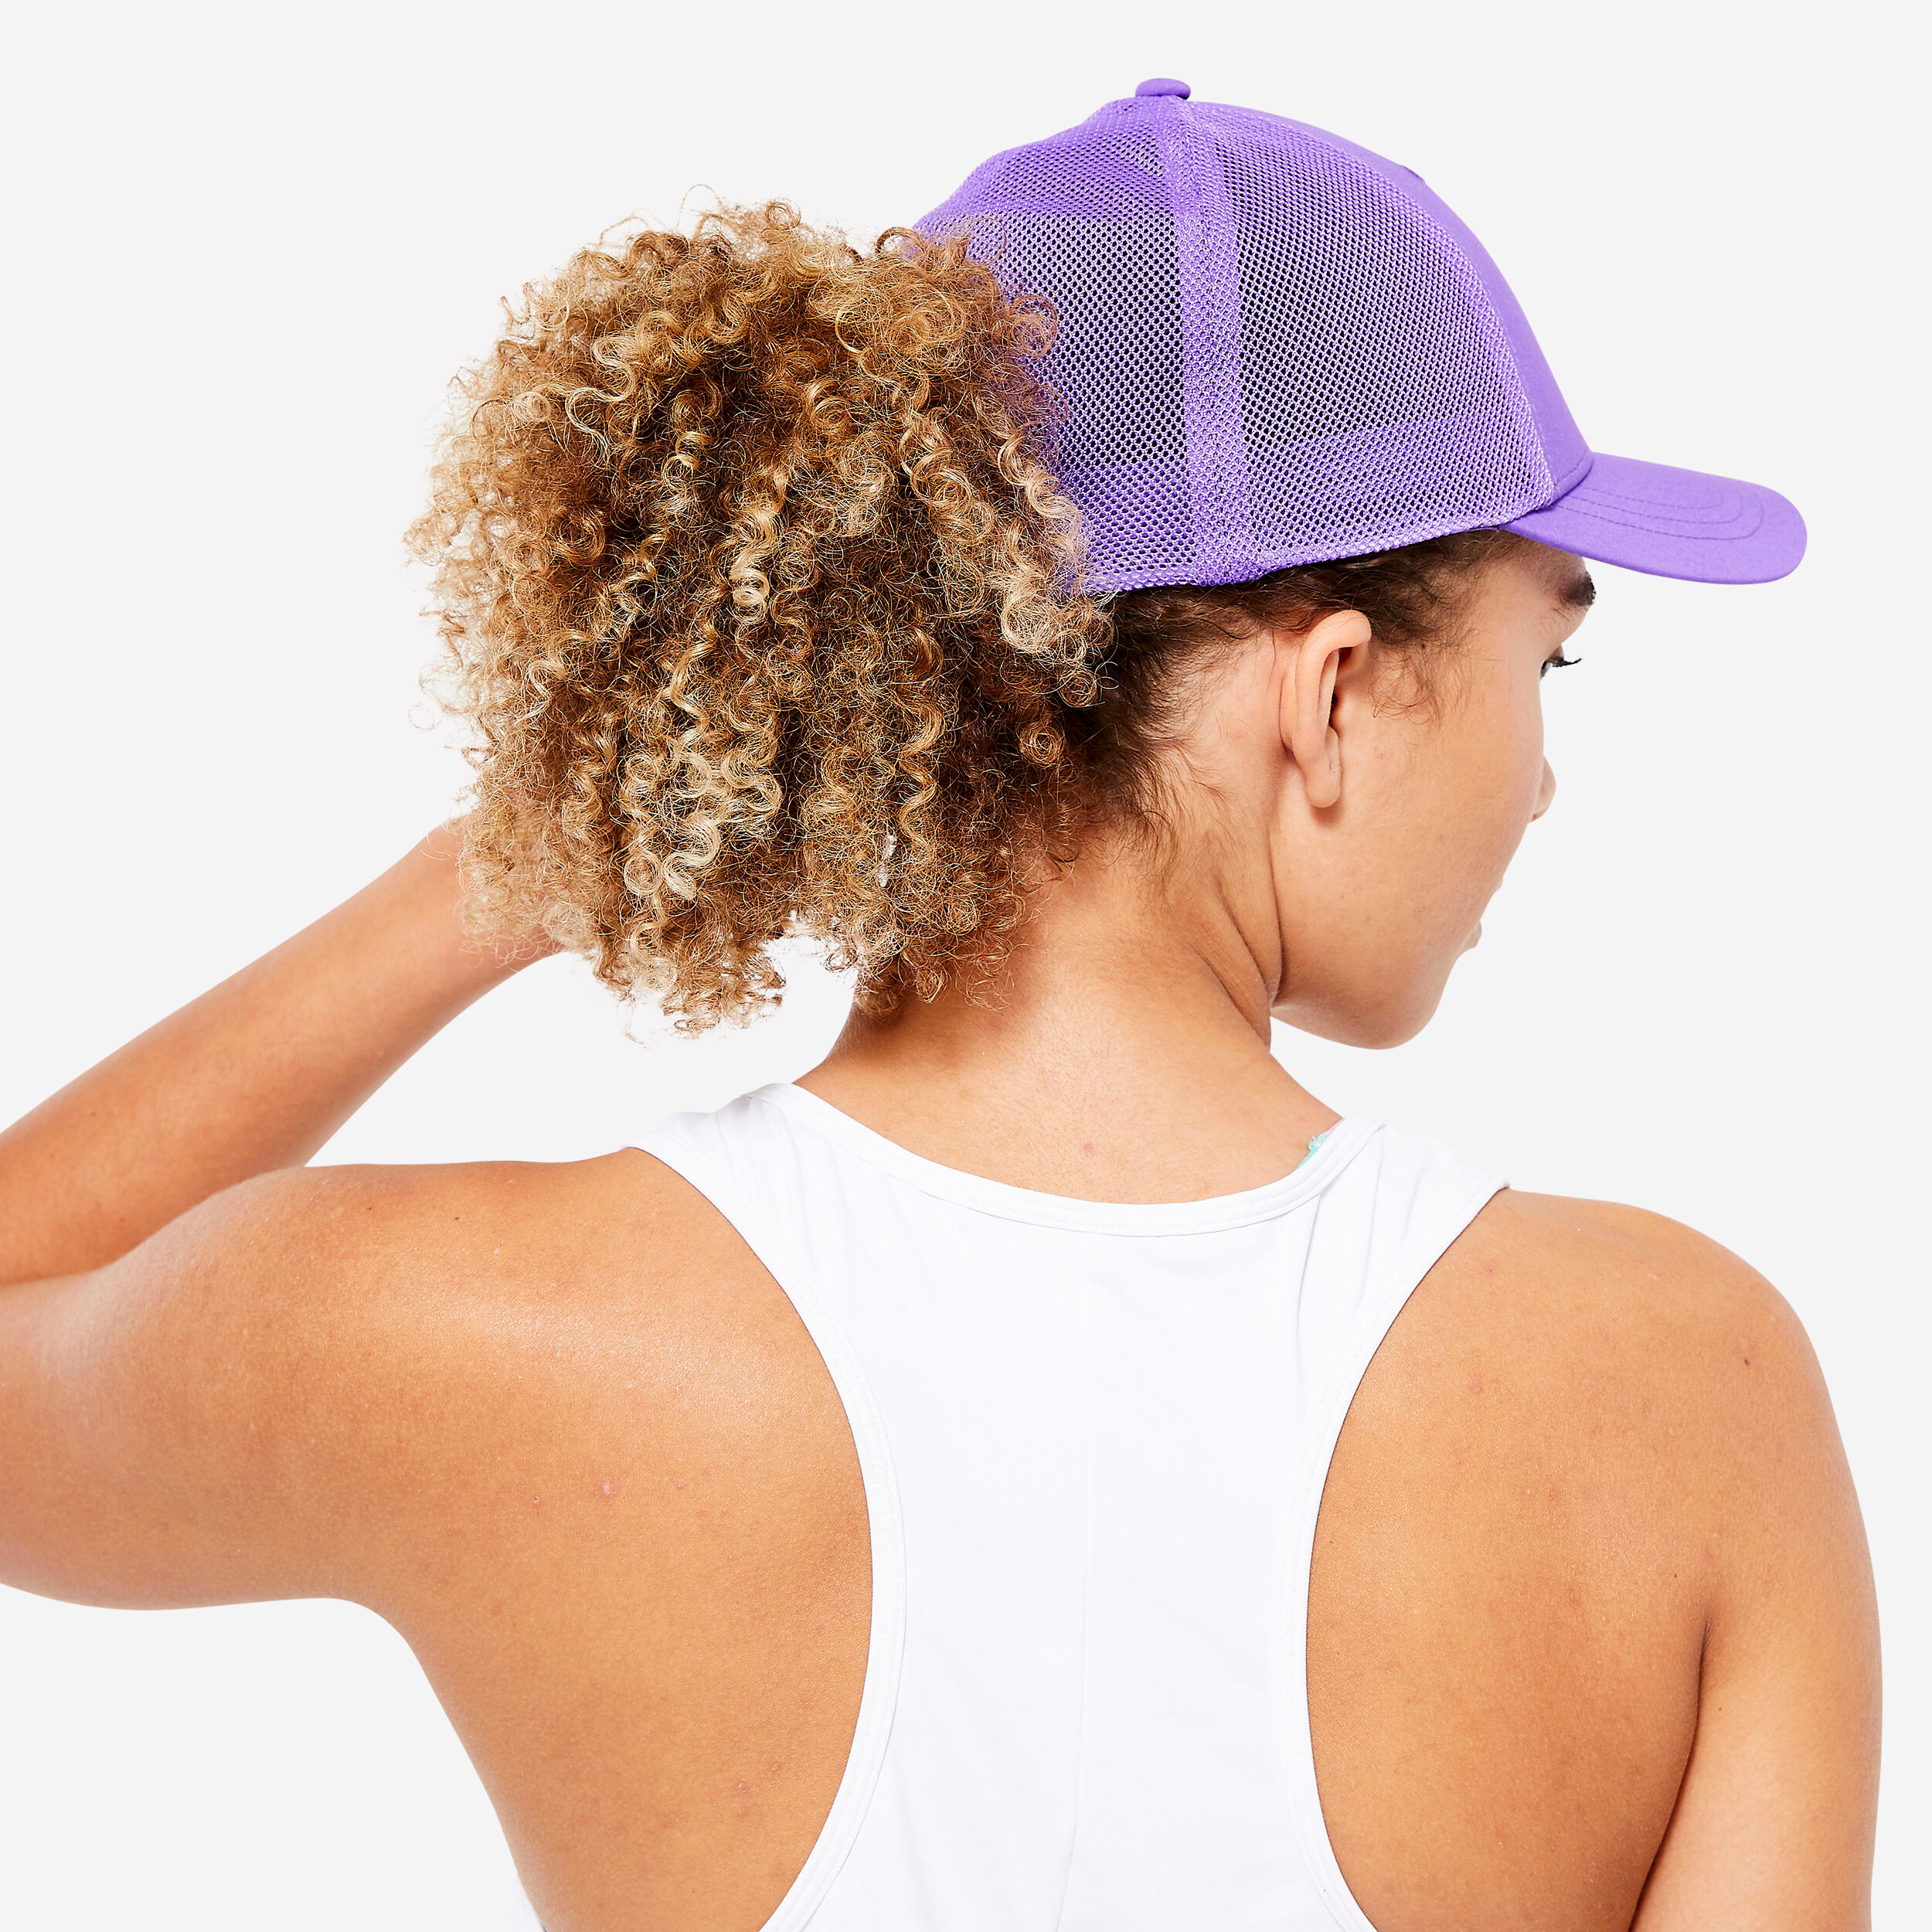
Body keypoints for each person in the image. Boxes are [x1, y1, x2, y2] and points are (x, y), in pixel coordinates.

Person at [0, 80, 1879, 1932]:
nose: (1540, 776)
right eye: (1546, 653)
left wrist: (492, 878)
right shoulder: (1686, 1390)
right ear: (1324, 693)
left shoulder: (486, 1330)